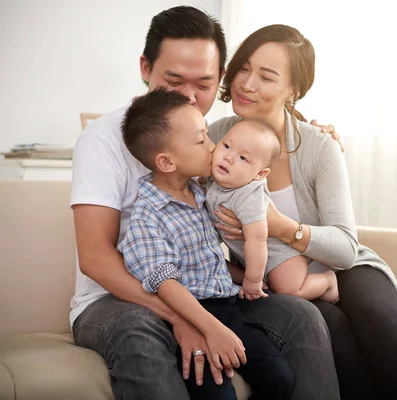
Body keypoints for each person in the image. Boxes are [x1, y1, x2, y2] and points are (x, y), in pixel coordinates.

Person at [70, 6, 340, 400]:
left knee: (300, 316)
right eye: (174, 81)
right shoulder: (102, 140)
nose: (190, 98)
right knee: (138, 333)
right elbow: (95, 258)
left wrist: (318, 132)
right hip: (115, 300)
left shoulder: (210, 140)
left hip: (204, 292)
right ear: (145, 67)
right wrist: (183, 319)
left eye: (204, 84)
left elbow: (256, 161)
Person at [208, 24, 397, 400]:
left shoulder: (317, 146)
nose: (246, 84)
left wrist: (282, 227)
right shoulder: (217, 136)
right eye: (243, 69)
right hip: (283, 281)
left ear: (293, 91)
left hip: (345, 267)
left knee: (374, 317)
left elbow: (346, 248)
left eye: (266, 76)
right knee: (331, 328)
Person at [117, 88, 293, 399]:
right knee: (217, 395)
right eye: (203, 141)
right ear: (167, 162)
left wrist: (256, 277)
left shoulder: (203, 192)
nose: (214, 148)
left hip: (227, 307)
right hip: (189, 316)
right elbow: (166, 285)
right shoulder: (148, 216)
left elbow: (208, 259)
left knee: (279, 377)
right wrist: (211, 329)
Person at [205, 119, 339, 303]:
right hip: (256, 261)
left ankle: (327, 281)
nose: (229, 157)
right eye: (226, 146)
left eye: (243, 158)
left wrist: (253, 280)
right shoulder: (216, 182)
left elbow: (257, 240)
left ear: (260, 174)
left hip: (281, 255)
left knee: (288, 290)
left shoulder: (248, 196)